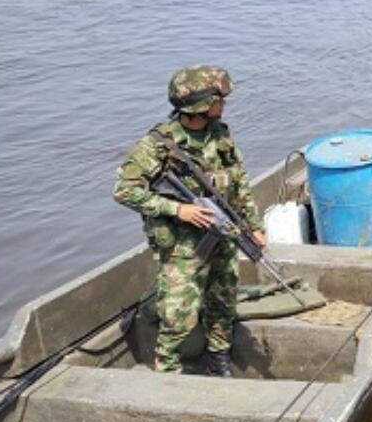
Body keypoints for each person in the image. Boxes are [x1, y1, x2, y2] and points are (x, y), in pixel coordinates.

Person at [113, 66, 265, 376]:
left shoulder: (220, 135)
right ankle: (167, 369)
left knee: (223, 300)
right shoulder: (156, 145)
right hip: (184, 244)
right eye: (218, 98)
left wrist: (255, 225)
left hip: (222, 231)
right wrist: (177, 210)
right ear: (200, 104)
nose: (223, 104)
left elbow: (240, 182)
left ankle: (218, 359)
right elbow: (124, 191)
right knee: (180, 313)